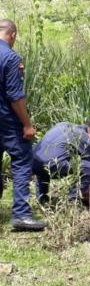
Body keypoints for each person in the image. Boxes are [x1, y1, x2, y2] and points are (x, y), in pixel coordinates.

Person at [0, 19, 46, 231]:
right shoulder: (10, 57)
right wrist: (27, 125)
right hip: (7, 121)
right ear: (13, 35)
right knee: (21, 159)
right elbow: (15, 96)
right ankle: (21, 214)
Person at [33, 121, 90, 203]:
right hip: (52, 165)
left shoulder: (62, 124)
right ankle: (72, 199)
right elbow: (89, 168)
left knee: (45, 162)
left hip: (33, 161)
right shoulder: (86, 138)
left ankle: (42, 199)